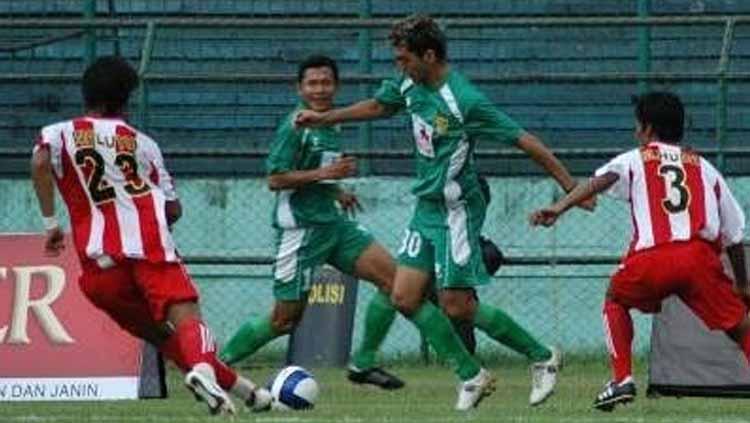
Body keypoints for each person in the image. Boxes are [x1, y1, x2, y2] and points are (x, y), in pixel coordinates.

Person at [296, 15, 592, 407]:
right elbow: (379, 106)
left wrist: (571, 187)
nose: (399, 67)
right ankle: (471, 374)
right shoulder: (409, 83)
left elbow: (525, 141)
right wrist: (325, 116)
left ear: (429, 55)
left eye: (404, 59)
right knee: (403, 296)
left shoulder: (464, 100)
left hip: (458, 210)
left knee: (458, 306)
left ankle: (542, 356)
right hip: (427, 207)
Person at [30, 56, 272, 416]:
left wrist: (51, 222)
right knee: (189, 320)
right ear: (127, 99)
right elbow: (173, 209)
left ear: (86, 94)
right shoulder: (143, 144)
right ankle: (204, 371)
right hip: (148, 248)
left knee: (164, 337)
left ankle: (249, 394)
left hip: (98, 268)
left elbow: (39, 161)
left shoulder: (59, 132)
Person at [529, 91, 750, 412]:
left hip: (654, 257)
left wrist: (559, 206)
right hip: (700, 258)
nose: (635, 133)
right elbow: (734, 233)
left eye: (637, 127)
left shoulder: (636, 157)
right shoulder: (705, 168)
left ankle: (621, 379)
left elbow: (600, 181)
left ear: (647, 129)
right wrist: (742, 283)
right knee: (741, 326)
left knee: (614, 299)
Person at [219, 54, 405, 391]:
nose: (319, 89)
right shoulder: (295, 126)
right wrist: (325, 174)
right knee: (284, 320)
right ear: (300, 88)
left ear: (336, 86)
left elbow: (317, 170)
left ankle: (363, 364)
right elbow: (275, 179)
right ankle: (215, 368)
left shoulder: (331, 122)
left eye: (326, 82)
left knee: (397, 283)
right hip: (301, 231)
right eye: (312, 83)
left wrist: (335, 191)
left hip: (333, 226)